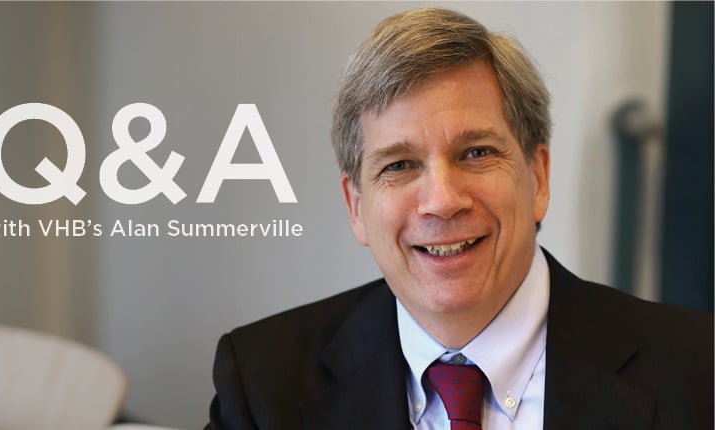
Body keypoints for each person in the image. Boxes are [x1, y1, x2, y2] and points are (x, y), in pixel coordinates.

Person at [205, 8, 713, 430]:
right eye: (399, 165)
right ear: (356, 207)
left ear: (537, 178)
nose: (443, 201)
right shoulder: (262, 383)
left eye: (475, 152)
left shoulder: (699, 373)